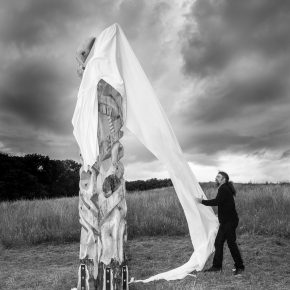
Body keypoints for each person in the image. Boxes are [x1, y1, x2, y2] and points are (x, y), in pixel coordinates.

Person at [197, 171, 245, 276]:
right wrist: (221, 216)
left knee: (231, 244)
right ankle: (217, 266)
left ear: (224, 179)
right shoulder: (224, 188)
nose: (216, 178)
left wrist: (202, 202)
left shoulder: (224, 188)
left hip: (230, 222)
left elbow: (217, 201)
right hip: (225, 221)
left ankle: (240, 266)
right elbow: (224, 204)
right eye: (216, 176)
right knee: (218, 242)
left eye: (218, 177)